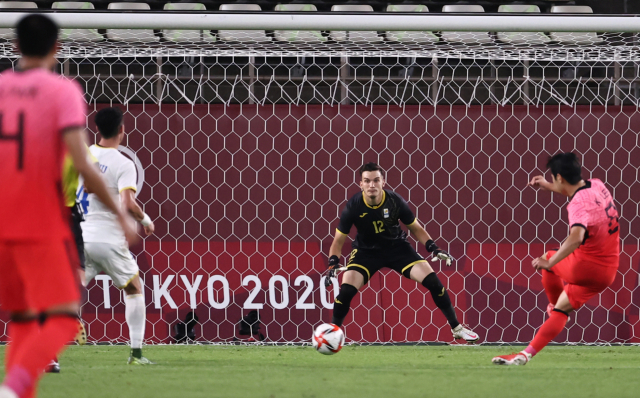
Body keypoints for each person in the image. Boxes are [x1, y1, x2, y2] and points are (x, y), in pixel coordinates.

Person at [0, 15, 137, 398]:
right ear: (57, 48)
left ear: (15, 47)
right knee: (61, 318)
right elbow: (82, 163)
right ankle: (12, 388)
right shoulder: (62, 92)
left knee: (24, 318)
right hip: (40, 220)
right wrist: (121, 213)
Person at [326, 162, 479, 342]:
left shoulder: (394, 201)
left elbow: (415, 227)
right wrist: (332, 262)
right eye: (367, 181)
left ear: (384, 182)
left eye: (376, 180)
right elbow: (338, 240)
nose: (372, 185)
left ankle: (457, 328)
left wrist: (433, 247)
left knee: (434, 283)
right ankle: (331, 336)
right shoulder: (353, 206)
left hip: (397, 249)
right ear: (361, 184)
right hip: (365, 252)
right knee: (345, 292)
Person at [492, 153, 620, 365]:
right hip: (607, 272)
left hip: (585, 267)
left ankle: (552, 303)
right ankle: (525, 354)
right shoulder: (598, 185)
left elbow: (576, 237)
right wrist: (547, 185)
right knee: (562, 310)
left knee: (548, 256)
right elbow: (575, 190)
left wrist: (550, 263)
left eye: (553, 178)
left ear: (559, 177)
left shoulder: (577, 204)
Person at [81, 107, 156, 365]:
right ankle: (136, 354)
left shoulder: (83, 156)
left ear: (97, 129)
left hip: (82, 237)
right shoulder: (123, 163)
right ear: (122, 130)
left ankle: (49, 354)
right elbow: (129, 203)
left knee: (66, 294)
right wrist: (146, 220)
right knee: (134, 288)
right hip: (110, 240)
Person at [43, 147, 96, 374]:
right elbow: (92, 176)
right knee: (75, 271)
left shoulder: (32, 141)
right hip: (68, 217)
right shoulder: (73, 143)